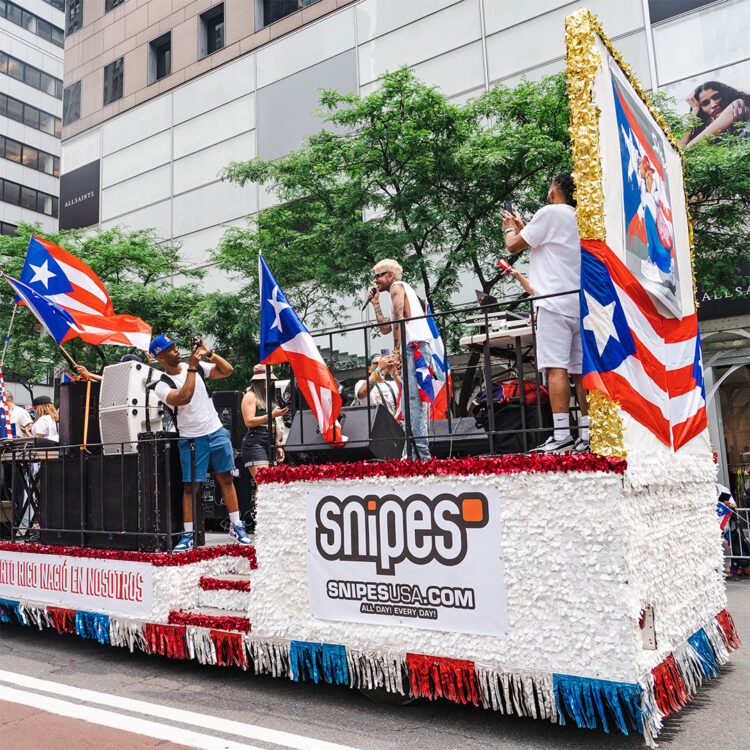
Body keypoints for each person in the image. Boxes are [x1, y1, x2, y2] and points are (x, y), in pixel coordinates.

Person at [503, 172, 589, 454]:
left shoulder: (549, 212)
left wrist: (509, 228)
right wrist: (523, 226)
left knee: (556, 367)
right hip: (577, 301)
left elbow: (514, 246)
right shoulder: (579, 216)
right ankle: (587, 433)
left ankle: (562, 434)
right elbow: (546, 242)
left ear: (556, 189)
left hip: (552, 303)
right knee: (579, 371)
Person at [149, 334, 250, 552]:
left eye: (175, 346)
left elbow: (227, 370)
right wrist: (193, 368)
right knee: (191, 486)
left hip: (215, 431)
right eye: (169, 348)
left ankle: (237, 526)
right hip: (191, 438)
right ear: (160, 357)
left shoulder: (192, 366)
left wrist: (210, 353)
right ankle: (188, 535)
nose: (176, 350)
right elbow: (183, 397)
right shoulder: (161, 384)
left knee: (226, 479)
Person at [367, 259, 442, 459]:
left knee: (414, 402)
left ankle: (420, 456)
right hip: (412, 347)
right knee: (412, 403)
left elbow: (399, 318)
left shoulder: (397, 287)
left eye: (378, 275)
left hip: (413, 348)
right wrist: (375, 304)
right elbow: (386, 329)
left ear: (390, 275)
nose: (375, 280)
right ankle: (414, 454)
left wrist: (397, 351)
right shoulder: (395, 291)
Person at [240, 365, 288, 482]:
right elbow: (248, 421)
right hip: (256, 440)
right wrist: (271, 415)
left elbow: (274, 422)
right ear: (259, 381)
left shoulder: (268, 397)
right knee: (264, 483)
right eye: (268, 380)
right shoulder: (250, 396)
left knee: (271, 485)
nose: (271, 383)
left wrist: (277, 443)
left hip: (270, 439)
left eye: (272, 380)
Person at [681, 81, 750, 148]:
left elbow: (690, 148)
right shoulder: (722, 134)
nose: (713, 105)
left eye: (716, 97)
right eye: (705, 103)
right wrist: (695, 110)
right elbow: (680, 149)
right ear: (701, 110)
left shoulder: (739, 105)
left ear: (725, 94)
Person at [355, 353, 400, 417]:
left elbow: (408, 395)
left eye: (382, 363)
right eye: (376, 363)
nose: (380, 365)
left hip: (395, 424)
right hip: (375, 425)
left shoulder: (393, 384)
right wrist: (378, 369)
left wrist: (394, 374)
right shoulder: (361, 383)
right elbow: (362, 394)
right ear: (368, 369)